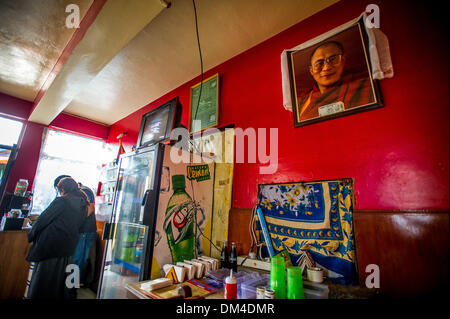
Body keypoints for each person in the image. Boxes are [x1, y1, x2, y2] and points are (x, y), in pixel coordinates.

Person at [25, 177, 88, 299]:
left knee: (42, 281)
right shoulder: (83, 204)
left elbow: (43, 219)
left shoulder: (62, 201)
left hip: (51, 244)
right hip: (68, 245)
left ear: (63, 189)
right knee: (58, 281)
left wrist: (31, 235)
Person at [297, 41, 374, 121]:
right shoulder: (303, 101)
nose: (326, 67)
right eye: (319, 64)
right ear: (311, 70)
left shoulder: (364, 85)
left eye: (333, 60)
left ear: (343, 61)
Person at [73, 182, 97, 286]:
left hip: (85, 231)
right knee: (79, 259)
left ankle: (73, 285)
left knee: (78, 259)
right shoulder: (79, 191)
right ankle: (73, 284)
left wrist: (76, 221)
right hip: (83, 231)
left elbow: (91, 208)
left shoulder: (85, 190)